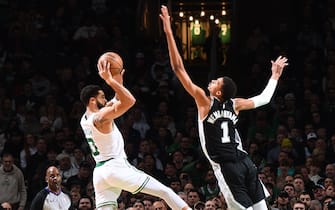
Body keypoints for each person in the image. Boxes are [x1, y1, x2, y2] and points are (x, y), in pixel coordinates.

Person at [160, 5, 289, 210]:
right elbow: (264, 99)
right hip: (245, 162)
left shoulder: (204, 102)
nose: (211, 81)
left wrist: (168, 31)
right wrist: (274, 76)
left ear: (219, 92)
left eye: (216, 82)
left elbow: (178, 68)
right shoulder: (235, 104)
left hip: (228, 167)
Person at [79, 54, 192, 210]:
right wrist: (110, 81)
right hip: (116, 167)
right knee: (165, 192)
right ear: (92, 100)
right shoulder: (100, 118)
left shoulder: (85, 119)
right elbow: (129, 101)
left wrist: (117, 79)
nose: (106, 100)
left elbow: (117, 99)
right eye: (102, 97)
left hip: (100, 172)